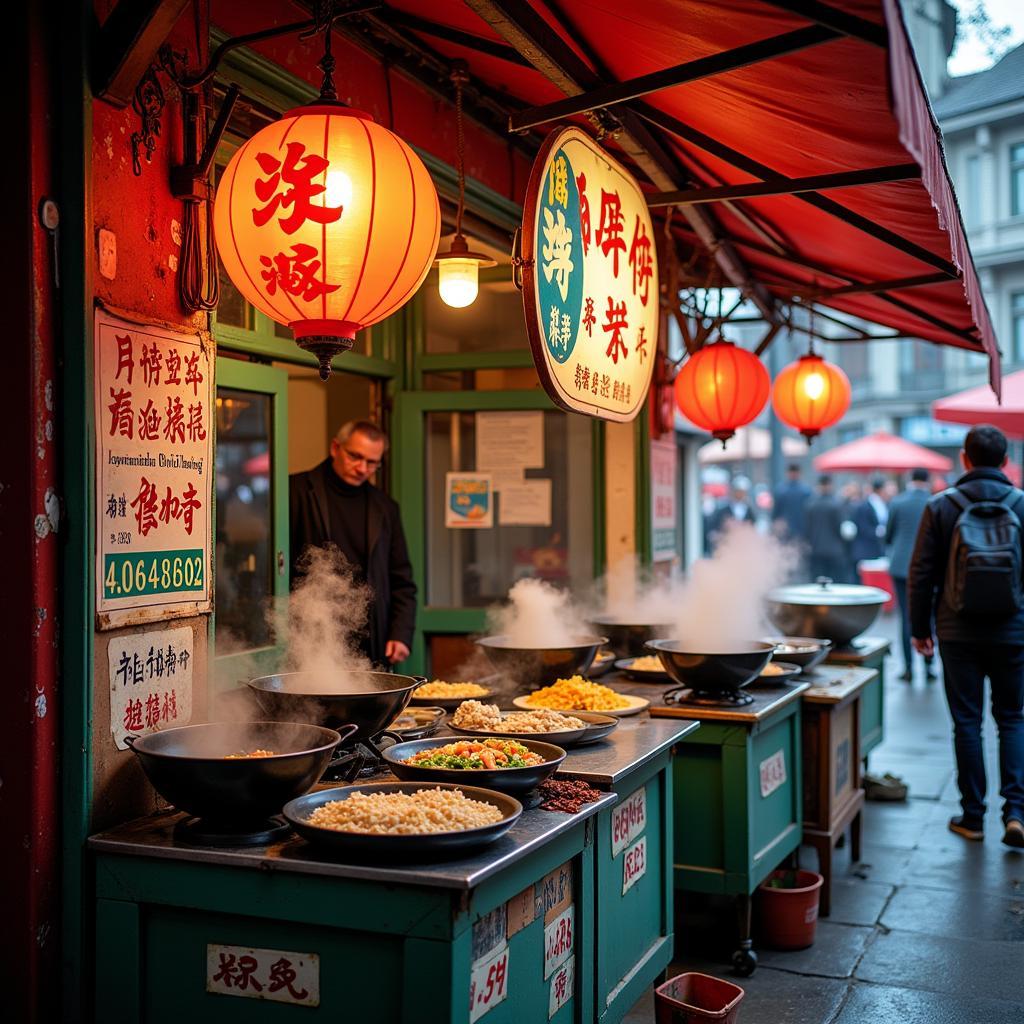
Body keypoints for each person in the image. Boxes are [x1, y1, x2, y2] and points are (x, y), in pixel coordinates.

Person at [908, 425, 1024, 848]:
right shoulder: (1022, 505)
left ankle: (973, 817)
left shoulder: (941, 506)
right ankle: (1016, 812)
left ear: (964, 458)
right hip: (1013, 630)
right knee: (1012, 719)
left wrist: (920, 630)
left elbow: (920, 575)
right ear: (1006, 461)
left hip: (957, 633)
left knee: (967, 723)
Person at [289, 420, 417, 668]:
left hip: (371, 640)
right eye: (355, 457)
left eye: (372, 463)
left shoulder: (386, 508)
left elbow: (402, 579)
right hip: (310, 634)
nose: (362, 468)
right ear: (336, 448)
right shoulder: (295, 491)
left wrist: (401, 634)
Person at [885, 468, 936, 682]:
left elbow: (888, 535)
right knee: (929, 615)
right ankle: (929, 665)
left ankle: (907, 668)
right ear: (927, 481)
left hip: (901, 565)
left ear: (910, 480)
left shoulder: (897, 502)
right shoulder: (935, 501)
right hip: (929, 565)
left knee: (906, 616)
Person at [804, 474, 849, 582]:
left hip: (816, 550)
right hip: (835, 551)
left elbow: (807, 529)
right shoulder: (836, 504)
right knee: (836, 583)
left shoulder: (810, 505)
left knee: (818, 584)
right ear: (830, 485)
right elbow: (840, 528)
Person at [706, 476, 755, 550]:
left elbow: (753, 527)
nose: (741, 495)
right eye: (739, 492)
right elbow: (714, 529)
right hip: (726, 546)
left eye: (743, 492)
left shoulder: (749, 511)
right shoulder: (723, 511)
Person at [771, 463, 811, 541]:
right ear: (799, 473)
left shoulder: (780, 490)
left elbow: (775, 514)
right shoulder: (806, 491)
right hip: (802, 530)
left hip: (785, 531)